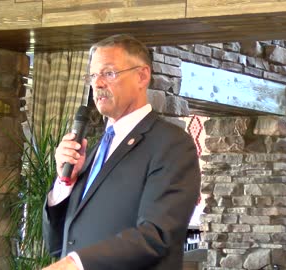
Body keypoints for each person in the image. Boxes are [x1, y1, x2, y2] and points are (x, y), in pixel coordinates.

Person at [42, 34, 201, 270]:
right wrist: (65, 183)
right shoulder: (95, 150)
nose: (97, 84)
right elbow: (58, 244)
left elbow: (157, 236)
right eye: (93, 75)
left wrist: (78, 264)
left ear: (142, 76)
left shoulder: (172, 144)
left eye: (109, 73)